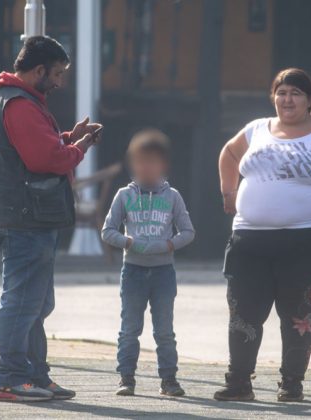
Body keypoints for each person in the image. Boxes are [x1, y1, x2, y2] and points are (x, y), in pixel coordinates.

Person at [214, 68, 311, 402]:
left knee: (298, 315)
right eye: (281, 93)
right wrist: (229, 191)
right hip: (250, 239)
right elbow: (229, 153)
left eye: (296, 93)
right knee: (243, 312)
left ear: (310, 101)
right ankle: (239, 382)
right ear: (273, 97)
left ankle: (291, 383)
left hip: (307, 242)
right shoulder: (256, 129)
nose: (287, 99)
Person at [0, 36, 102, 402]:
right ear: (38, 70)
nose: (59, 82)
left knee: (36, 303)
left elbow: (38, 148)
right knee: (23, 301)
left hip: (26, 217)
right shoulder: (20, 104)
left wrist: (68, 137)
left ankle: (35, 375)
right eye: (57, 73)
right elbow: (45, 160)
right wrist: (79, 148)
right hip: (25, 219)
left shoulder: (17, 99)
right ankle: (11, 378)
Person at [101, 129, 195, 397]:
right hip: (133, 271)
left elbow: (188, 232)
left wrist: (169, 244)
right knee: (130, 329)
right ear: (132, 163)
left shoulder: (172, 196)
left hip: (163, 272)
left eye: (152, 161)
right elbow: (107, 231)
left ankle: (169, 380)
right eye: (140, 161)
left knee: (164, 331)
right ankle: (126, 378)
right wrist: (128, 242)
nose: (146, 167)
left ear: (163, 164)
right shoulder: (124, 195)